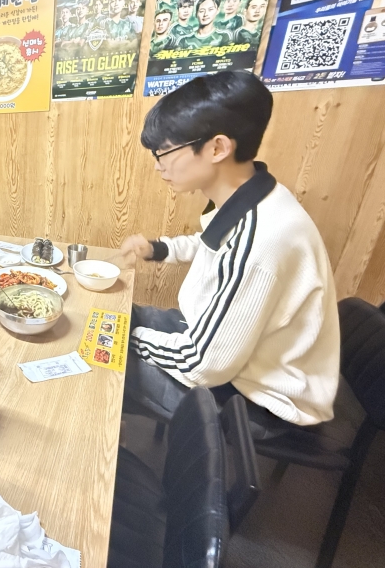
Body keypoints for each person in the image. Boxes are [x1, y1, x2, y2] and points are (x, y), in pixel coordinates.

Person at [120, 71, 339, 429]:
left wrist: (124, 338)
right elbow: (213, 244)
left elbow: (203, 365)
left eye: (165, 152)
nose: (158, 165)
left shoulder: (263, 240)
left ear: (217, 148)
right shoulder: (256, 195)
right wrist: (156, 249)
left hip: (260, 400)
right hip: (231, 355)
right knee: (120, 316)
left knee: (102, 358)